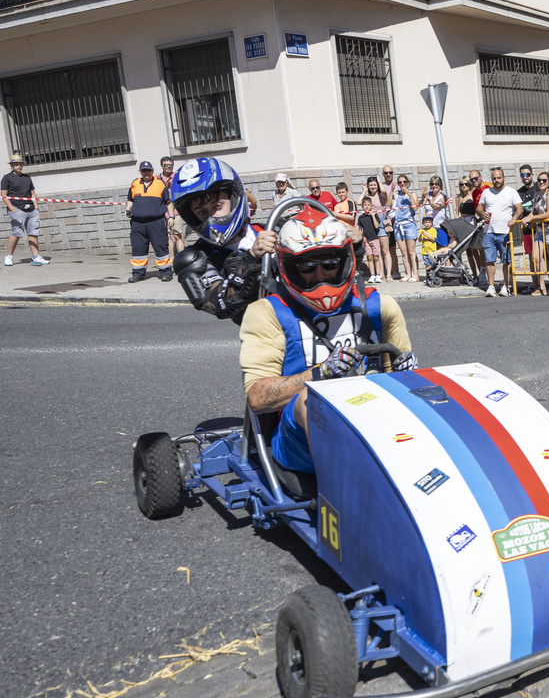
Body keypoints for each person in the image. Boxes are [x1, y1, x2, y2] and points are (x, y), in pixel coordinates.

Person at [239, 207, 413, 475]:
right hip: (297, 436)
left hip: (376, 416)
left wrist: (407, 373)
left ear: (345, 260)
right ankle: (354, 488)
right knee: (314, 399)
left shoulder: (381, 305)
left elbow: (399, 373)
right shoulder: (267, 312)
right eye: (307, 266)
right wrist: (320, 374)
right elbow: (257, 398)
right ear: (289, 267)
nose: (320, 275)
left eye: (330, 263)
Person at [171, 157, 275, 324]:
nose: (211, 216)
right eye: (201, 211)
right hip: (265, 337)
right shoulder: (197, 259)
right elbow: (221, 304)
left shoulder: (269, 229)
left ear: (234, 198)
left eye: (217, 206)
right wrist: (251, 259)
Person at [126, 160, 173, 283]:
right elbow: (130, 200)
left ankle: (166, 272)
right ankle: (138, 274)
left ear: (152, 171)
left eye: (148, 170)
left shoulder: (160, 184)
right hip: (137, 223)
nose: (146, 173)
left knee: (161, 247)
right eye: (143, 170)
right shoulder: (135, 183)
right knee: (138, 249)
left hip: (156, 222)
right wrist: (128, 208)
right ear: (140, 172)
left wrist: (171, 217)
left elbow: (168, 202)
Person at [479, 167, 523, 297]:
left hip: (505, 232)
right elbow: (479, 207)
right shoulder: (486, 192)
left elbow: (519, 208)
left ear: (503, 178)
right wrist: (482, 213)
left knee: (506, 261)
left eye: (499, 178)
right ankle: (491, 287)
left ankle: (505, 286)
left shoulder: (511, 192)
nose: (496, 180)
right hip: (489, 232)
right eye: (494, 178)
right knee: (489, 260)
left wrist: (514, 218)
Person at [1, 153, 50, 266]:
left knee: (33, 233)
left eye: (21, 164)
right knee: (17, 233)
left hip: (31, 209)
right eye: (17, 164)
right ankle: (9, 257)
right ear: (12, 165)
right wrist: (12, 209)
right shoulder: (7, 178)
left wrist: (36, 207)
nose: (19, 166)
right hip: (17, 209)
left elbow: (32, 193)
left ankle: (35, 257)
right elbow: (3, 195)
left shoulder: (27, 177)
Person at [521, 171, 549, 295]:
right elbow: (533, 212)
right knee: (536, 258)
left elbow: (548, 214)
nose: (541, 182)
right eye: (539, 180)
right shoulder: (537, 194)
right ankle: (541, 286)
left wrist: (531, 219)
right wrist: (526, 218)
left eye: (544, 180)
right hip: (539, 230)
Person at [363, 176, 397, 283]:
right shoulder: (367, 197)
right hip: (371, 224)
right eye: (371, 185)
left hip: (381, 222)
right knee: (377, 252)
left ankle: (388, 274)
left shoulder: (381, 195)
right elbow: (360, 202)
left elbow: (383, 191)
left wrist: (378, 181)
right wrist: (364, 191)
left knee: (385, 250)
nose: (373, 187)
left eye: (375, 185)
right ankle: (380, 273)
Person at [390, 175, 419, 283]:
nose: (402, 184)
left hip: (409, 224)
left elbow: (415, 208)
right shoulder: (396, 194)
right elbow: (388, 204)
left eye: (404, 182)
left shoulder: (413, 193)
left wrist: (409, 194)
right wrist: (391, 191)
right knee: (403, 252)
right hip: (398, 224)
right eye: (400, 182)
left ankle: (415, 274)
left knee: (411, 251)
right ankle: (408, 273)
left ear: (408, 182)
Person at [379, 165, 403, 280]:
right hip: (386, 221)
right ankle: (388, 272)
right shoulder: (381, 187)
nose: (388, 174)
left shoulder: (399, 186)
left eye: (390, 172)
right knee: (388, 248)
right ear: (383, 174)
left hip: (398, 221)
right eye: (386, 173)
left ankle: (397, 271)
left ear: (393, 173)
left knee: (402, 248)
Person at [357, 187, 383, 284]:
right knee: (369, 257)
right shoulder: (361, 217)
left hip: (375, 239)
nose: (367, 207)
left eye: (368, 205)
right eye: (365, 205)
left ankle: (378, 275)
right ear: (363, 206)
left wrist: (372, 216)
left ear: (371, 206)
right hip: (366, 240)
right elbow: (360, 229)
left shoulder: (375, 215)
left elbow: (377, 226)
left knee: (376, 257)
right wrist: (362, 237)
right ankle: (372, 275)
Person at [418, 215, 439, 279]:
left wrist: (426, 235)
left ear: (432, 223)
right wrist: (421, 234)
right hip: (424, 251)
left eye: (429, 222)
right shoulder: (421, 230)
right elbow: (419, 240)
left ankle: (434, 276)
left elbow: (433, 239)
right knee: (427, 265)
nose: (427, 224)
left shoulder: (433, 230)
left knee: (433, 264)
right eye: (426, 222)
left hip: (432, 251)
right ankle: (428, 277)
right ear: (423, 223)